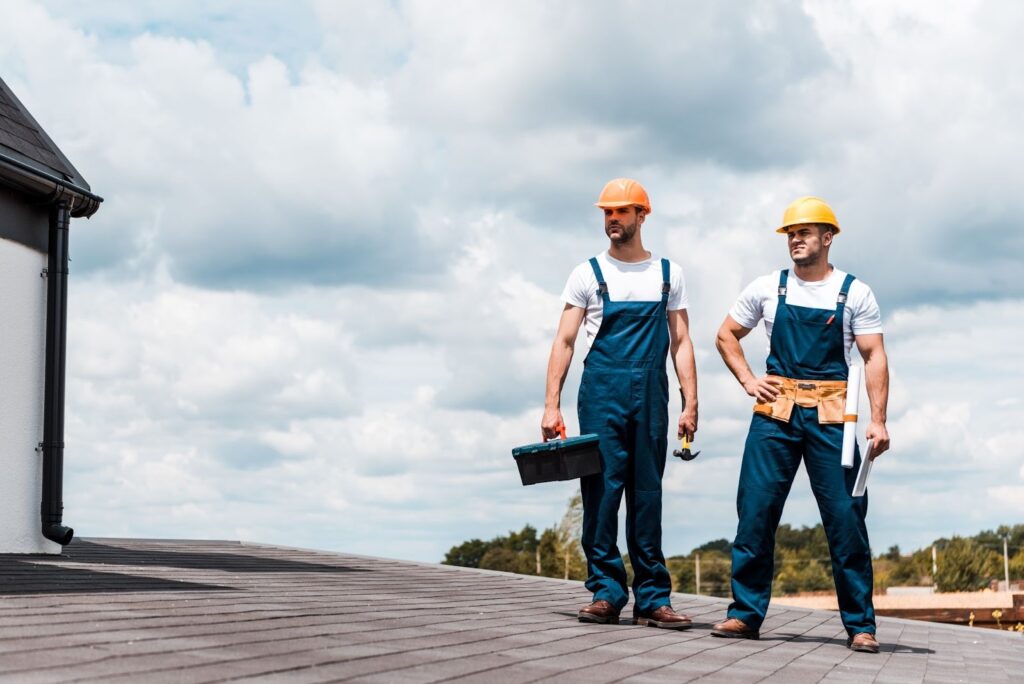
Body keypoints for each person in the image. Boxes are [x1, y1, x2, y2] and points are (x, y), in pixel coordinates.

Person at [711, 197, 890, 653]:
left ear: (827, 238)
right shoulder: (768, 288)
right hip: (776, 412)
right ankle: (744, 615)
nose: (796, 239)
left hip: (834, 416)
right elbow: (725, 335)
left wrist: (879, 421)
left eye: (805, 232)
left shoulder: (856, 292)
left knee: (847, 520)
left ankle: (861, 626)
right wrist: (749, 380)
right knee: (755, 511)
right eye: (791, 233)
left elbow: (873, 356)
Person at [541, 178, 698, 629]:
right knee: (602, 493)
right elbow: (565, 340)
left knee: (647, 494)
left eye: (622, 211)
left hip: (651, 393)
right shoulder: (587, 273)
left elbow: (682, 342)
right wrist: (552, 405)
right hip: (601, 394)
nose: (613, 219)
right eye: (607, 212)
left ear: (641, 216)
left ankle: (653, 598)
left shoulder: (669, 273)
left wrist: (691, 401)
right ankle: (606, 591)